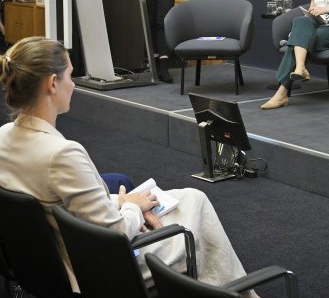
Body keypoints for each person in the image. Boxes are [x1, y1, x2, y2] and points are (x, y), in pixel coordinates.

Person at [0, 37, 256, 295]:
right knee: (197, 209)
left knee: (189, 197)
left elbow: (60, 203)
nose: (74, 84)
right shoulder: (62, 154)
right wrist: (132, 207)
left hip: (50, 261)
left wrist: (125, 202)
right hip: (99, 271)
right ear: (52, 83)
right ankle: (236, 292)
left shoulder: (4, 136)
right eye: (69, 75)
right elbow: (117, 231)